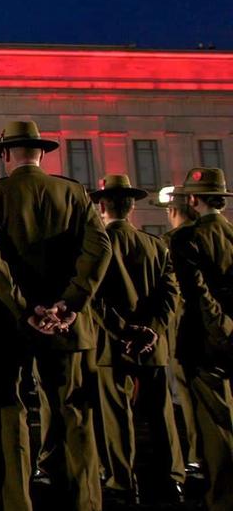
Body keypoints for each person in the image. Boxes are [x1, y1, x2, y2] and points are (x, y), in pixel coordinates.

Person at [0, 120, 111, 511]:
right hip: (66, 321)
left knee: (11, 409)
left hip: (11, 323)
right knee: (73, 411)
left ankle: (18, 500)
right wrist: (69, 303)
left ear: (5, 155)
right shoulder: (73, 192)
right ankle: (86, 500)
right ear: (42, 154)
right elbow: (99, 251)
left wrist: (23, 308)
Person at [89, 174, 184, 505]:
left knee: (115, 415)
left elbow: (95, 297)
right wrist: (153, 329)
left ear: (102, 206)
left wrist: (122, 331)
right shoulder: (155, 245)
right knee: (160, 415)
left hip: (110, 344)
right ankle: (171, 476)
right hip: (151, 343)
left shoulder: (97, 245)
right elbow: (170, 295)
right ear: (131, 206)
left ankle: (121, 478)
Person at [169, 167, 233, 510]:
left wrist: (221, 329)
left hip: (206, 342)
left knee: (215, 426)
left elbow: (196, 293)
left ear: (193, 200)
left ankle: (222, 498)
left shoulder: (186, 238)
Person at [150, 184, 204, 480]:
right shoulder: (216, 234)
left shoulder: (172, 241)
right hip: (219, 331)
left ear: (173, 211)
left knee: (187, 397)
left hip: (183, 329)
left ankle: (197, 459)